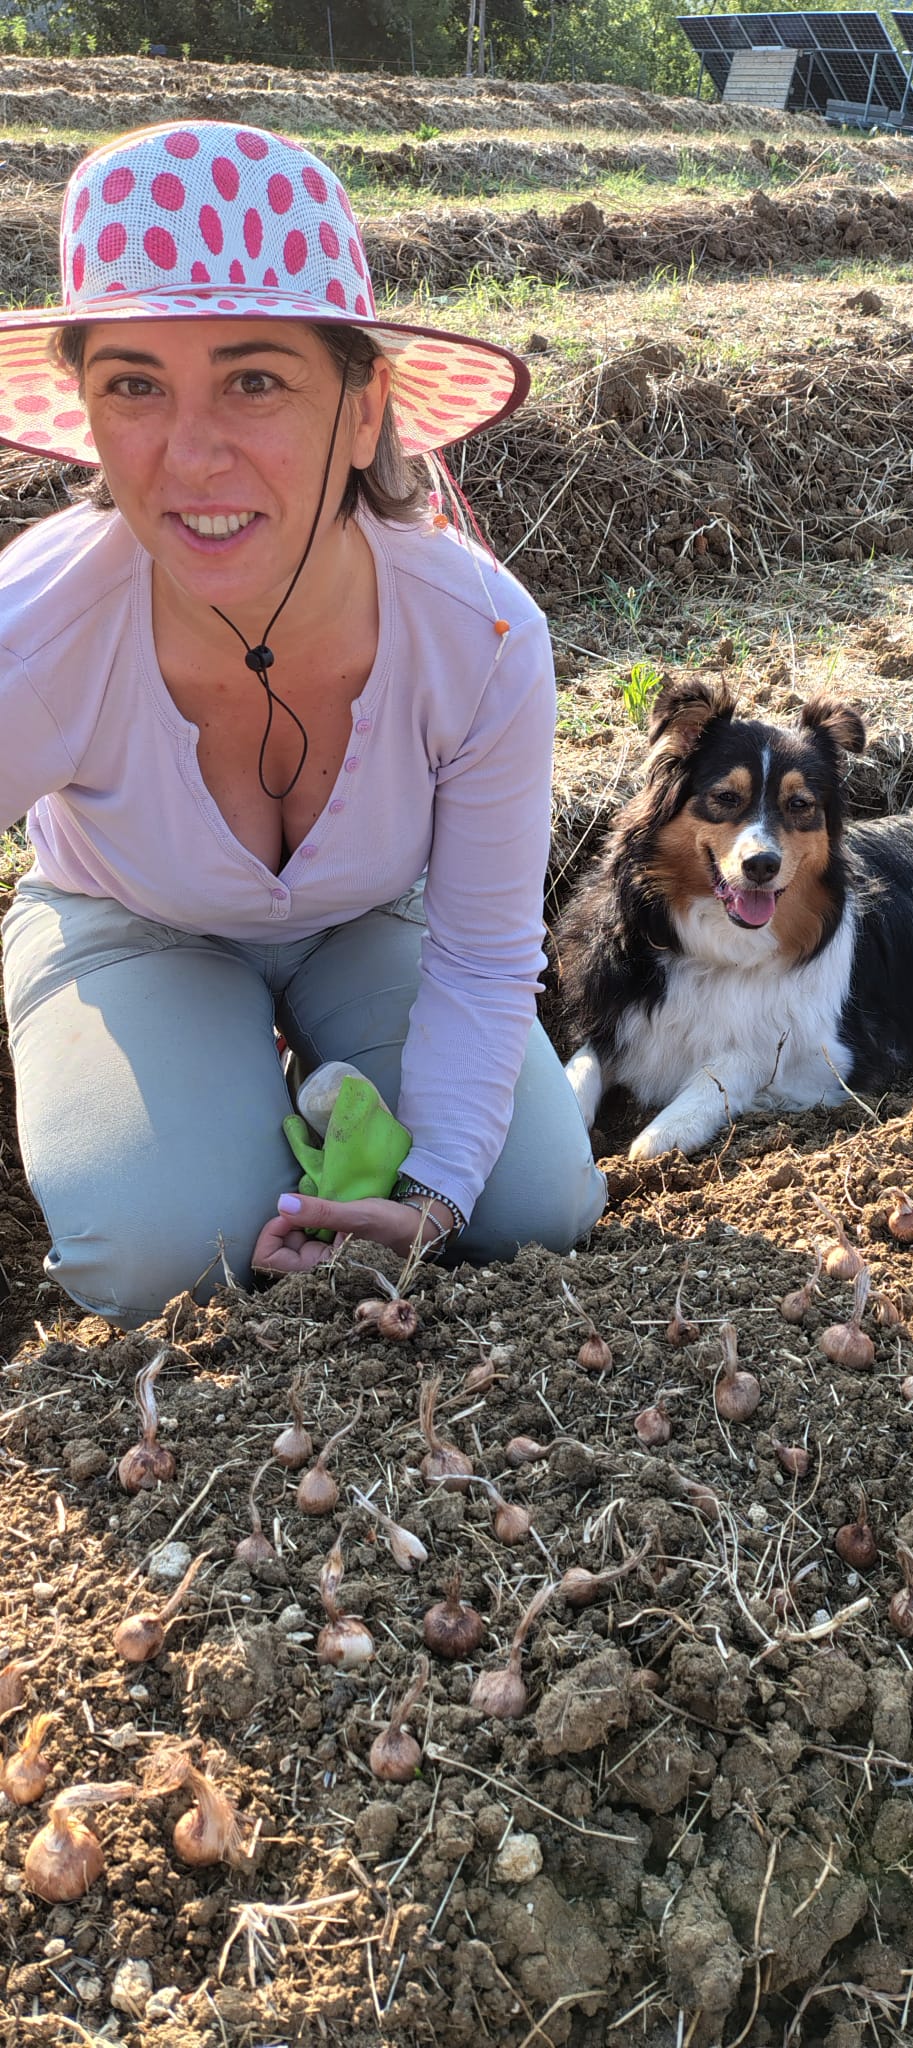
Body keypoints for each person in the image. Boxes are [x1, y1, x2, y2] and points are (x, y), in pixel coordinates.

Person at [0, 119, 606, 1330]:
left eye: (256, 380)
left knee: (532, 1207)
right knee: (164, 1255)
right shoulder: (37, 635)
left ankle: (294, 1098)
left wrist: (435, 1192)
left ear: (363, 404)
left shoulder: (482, 639)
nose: (190, 457)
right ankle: (226, 1100)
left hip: (368, 920)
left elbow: (485, 955)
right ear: (87, 409)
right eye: (134, 385)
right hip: (131, 923)